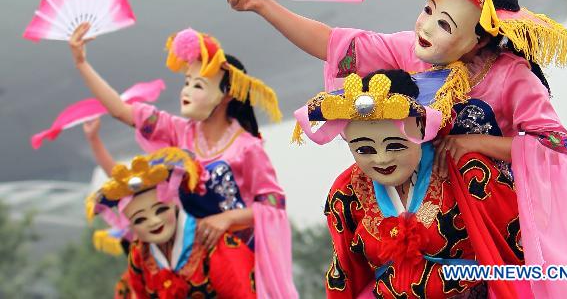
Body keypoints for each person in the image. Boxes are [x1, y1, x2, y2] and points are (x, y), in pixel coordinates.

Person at [222, 0, 567, 296]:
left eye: (445, 25)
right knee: (346, 191)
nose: (426, 27)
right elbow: (335, 44)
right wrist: (262, 5)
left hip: (486, 203)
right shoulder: (411, 50)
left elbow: (555, 141)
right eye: (429, 10)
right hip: (415, 176)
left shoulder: (511, 74)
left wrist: (475, 143)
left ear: (481, 39)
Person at [69, 26, 297, 298]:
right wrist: (81, 63)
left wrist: (226, 219)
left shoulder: (247, 148)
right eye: (187, 81)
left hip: (234, 254)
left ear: (226, 95)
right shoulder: (179, 131)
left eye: (198, 85)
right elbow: (121, 111)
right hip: (187, 245)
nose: (186, 90)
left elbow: (273, 204)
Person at [294, 69, 524, 298]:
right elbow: (345, 272)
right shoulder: (347, 191)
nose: (381, 159)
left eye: (395, 145)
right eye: (364, 149)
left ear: (421, 129)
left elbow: (518, 247)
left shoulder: (465, 169)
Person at [88, 147, 256, 298]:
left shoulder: (212, 242)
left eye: (160, 210)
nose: (154, 221)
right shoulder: (140, 255)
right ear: (130, 225)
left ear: (174, 205)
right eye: (140, 219)